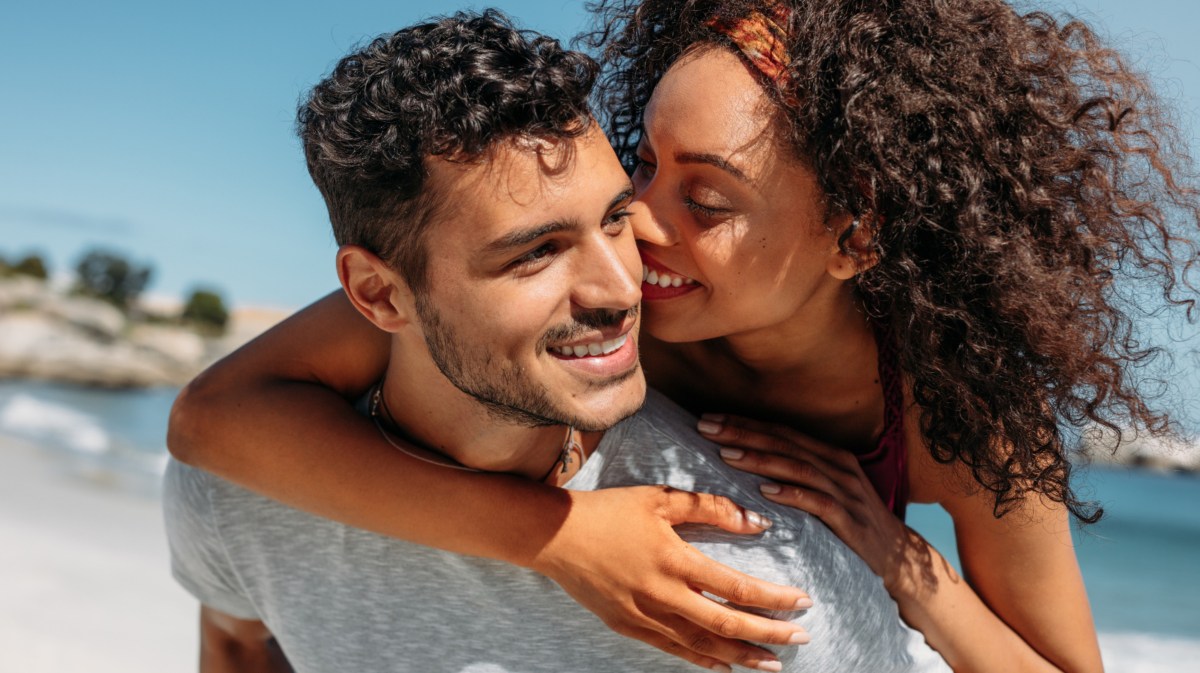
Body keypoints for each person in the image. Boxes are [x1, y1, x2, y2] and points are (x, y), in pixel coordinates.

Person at [169, 1, 1199, 672]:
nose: (639, 232)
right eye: (643, 170)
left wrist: (892, 553)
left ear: (854, 233)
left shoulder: (957, 403)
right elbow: (217, 420)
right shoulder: (626, 296)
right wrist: (562, 539)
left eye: (706, 197)